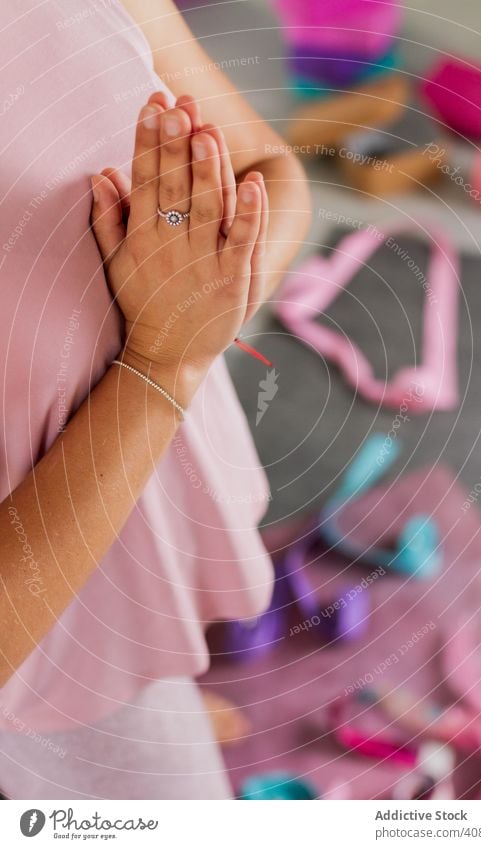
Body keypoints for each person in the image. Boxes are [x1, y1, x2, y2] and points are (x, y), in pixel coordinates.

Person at [0, 0, 310, 798]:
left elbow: (272, 173)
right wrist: (162, 360)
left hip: (143, 507)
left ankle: (154, 664)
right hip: (36, 622)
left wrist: (199, 297)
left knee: (153, 638)